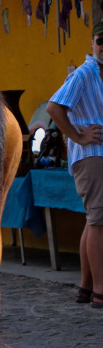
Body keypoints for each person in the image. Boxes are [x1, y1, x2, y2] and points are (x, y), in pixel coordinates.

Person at [47, 23, 103, 308]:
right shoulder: (85, 73)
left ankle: (86, 287)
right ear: (92, 43)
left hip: (99, 154)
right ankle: (100, 292)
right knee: (99, 222)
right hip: (92, 155)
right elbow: (54, 107)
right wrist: (79, 137)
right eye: (101, 40)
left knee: (93, 221)